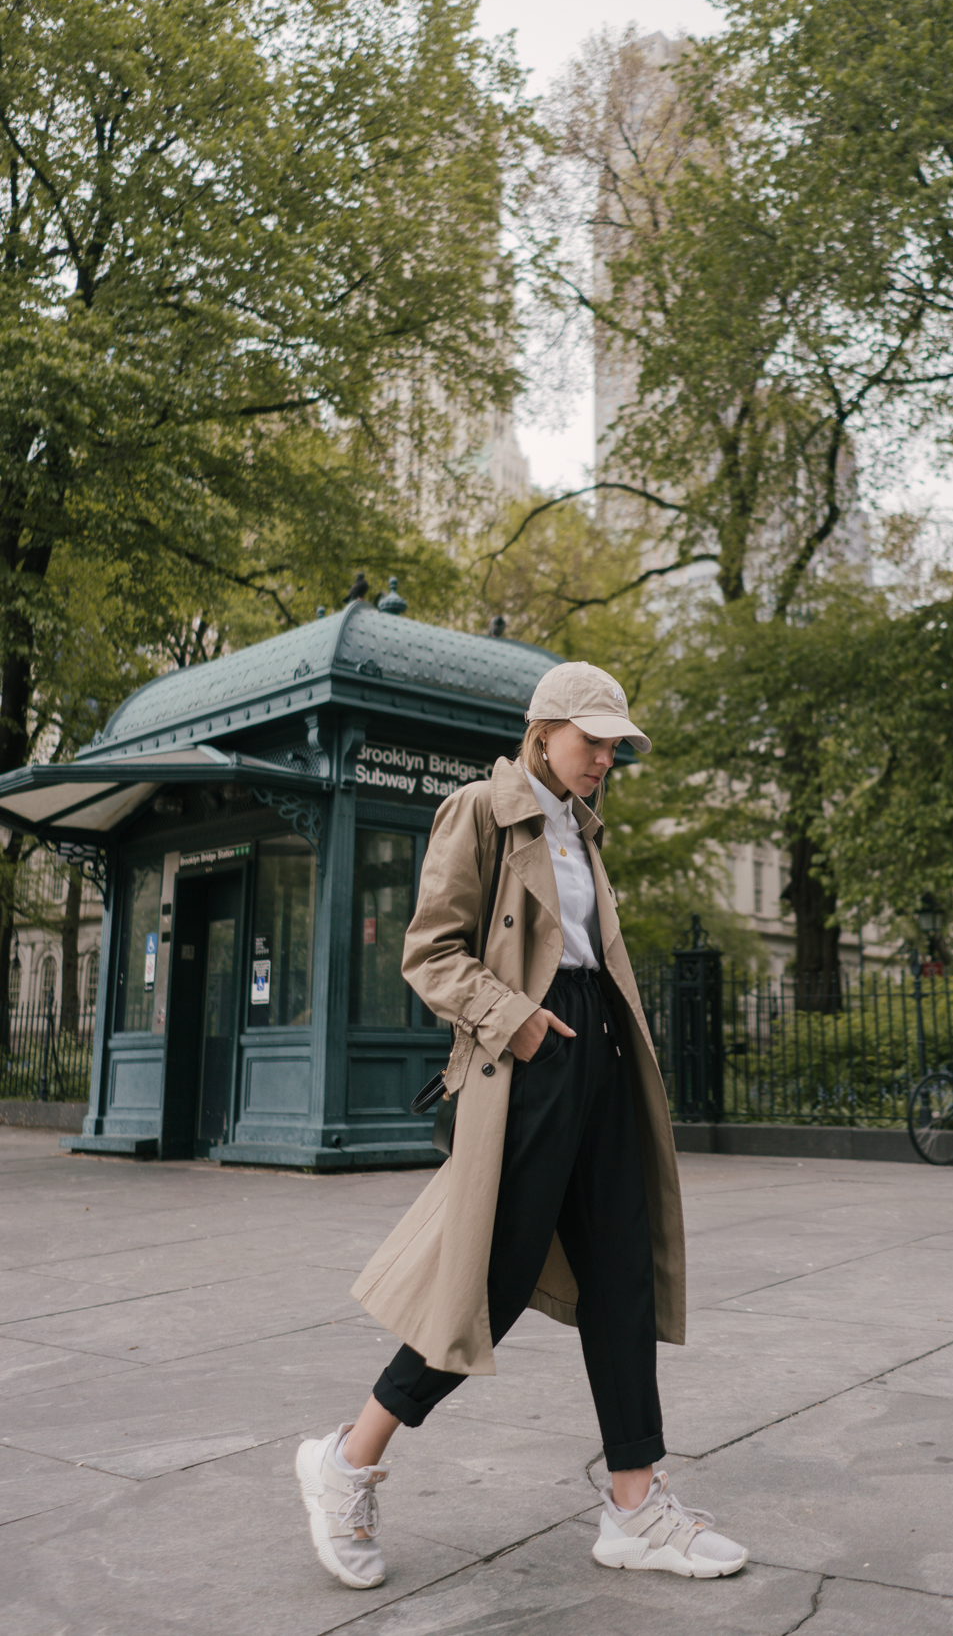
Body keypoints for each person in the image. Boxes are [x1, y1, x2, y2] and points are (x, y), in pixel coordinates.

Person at [295, 661, 748, 1587]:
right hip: (527, 1064)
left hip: (599, 1062)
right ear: (543, 731)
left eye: (615, 746)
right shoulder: (478, 809)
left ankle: (633, 1504)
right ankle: (345, 1459)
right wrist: (521, 1022)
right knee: (488, 1285)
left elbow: (584, 953)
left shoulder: (584, 830)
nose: (605, 760)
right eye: (593, 742)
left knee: (620, 1280)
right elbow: (429, 953)